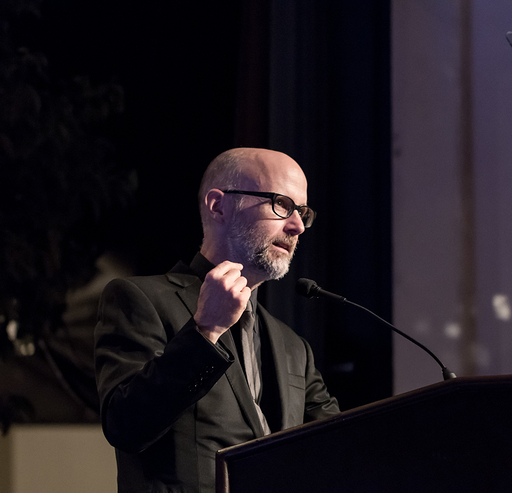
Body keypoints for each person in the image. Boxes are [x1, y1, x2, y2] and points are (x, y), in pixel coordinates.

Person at [94, 148, 340, 493]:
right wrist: (205, 331)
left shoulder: (292, 346)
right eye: (281, 204)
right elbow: (126, 426)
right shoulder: (140, 299)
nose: (297, 225)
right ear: (218, 205)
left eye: (302, 211)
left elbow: (339, 445)